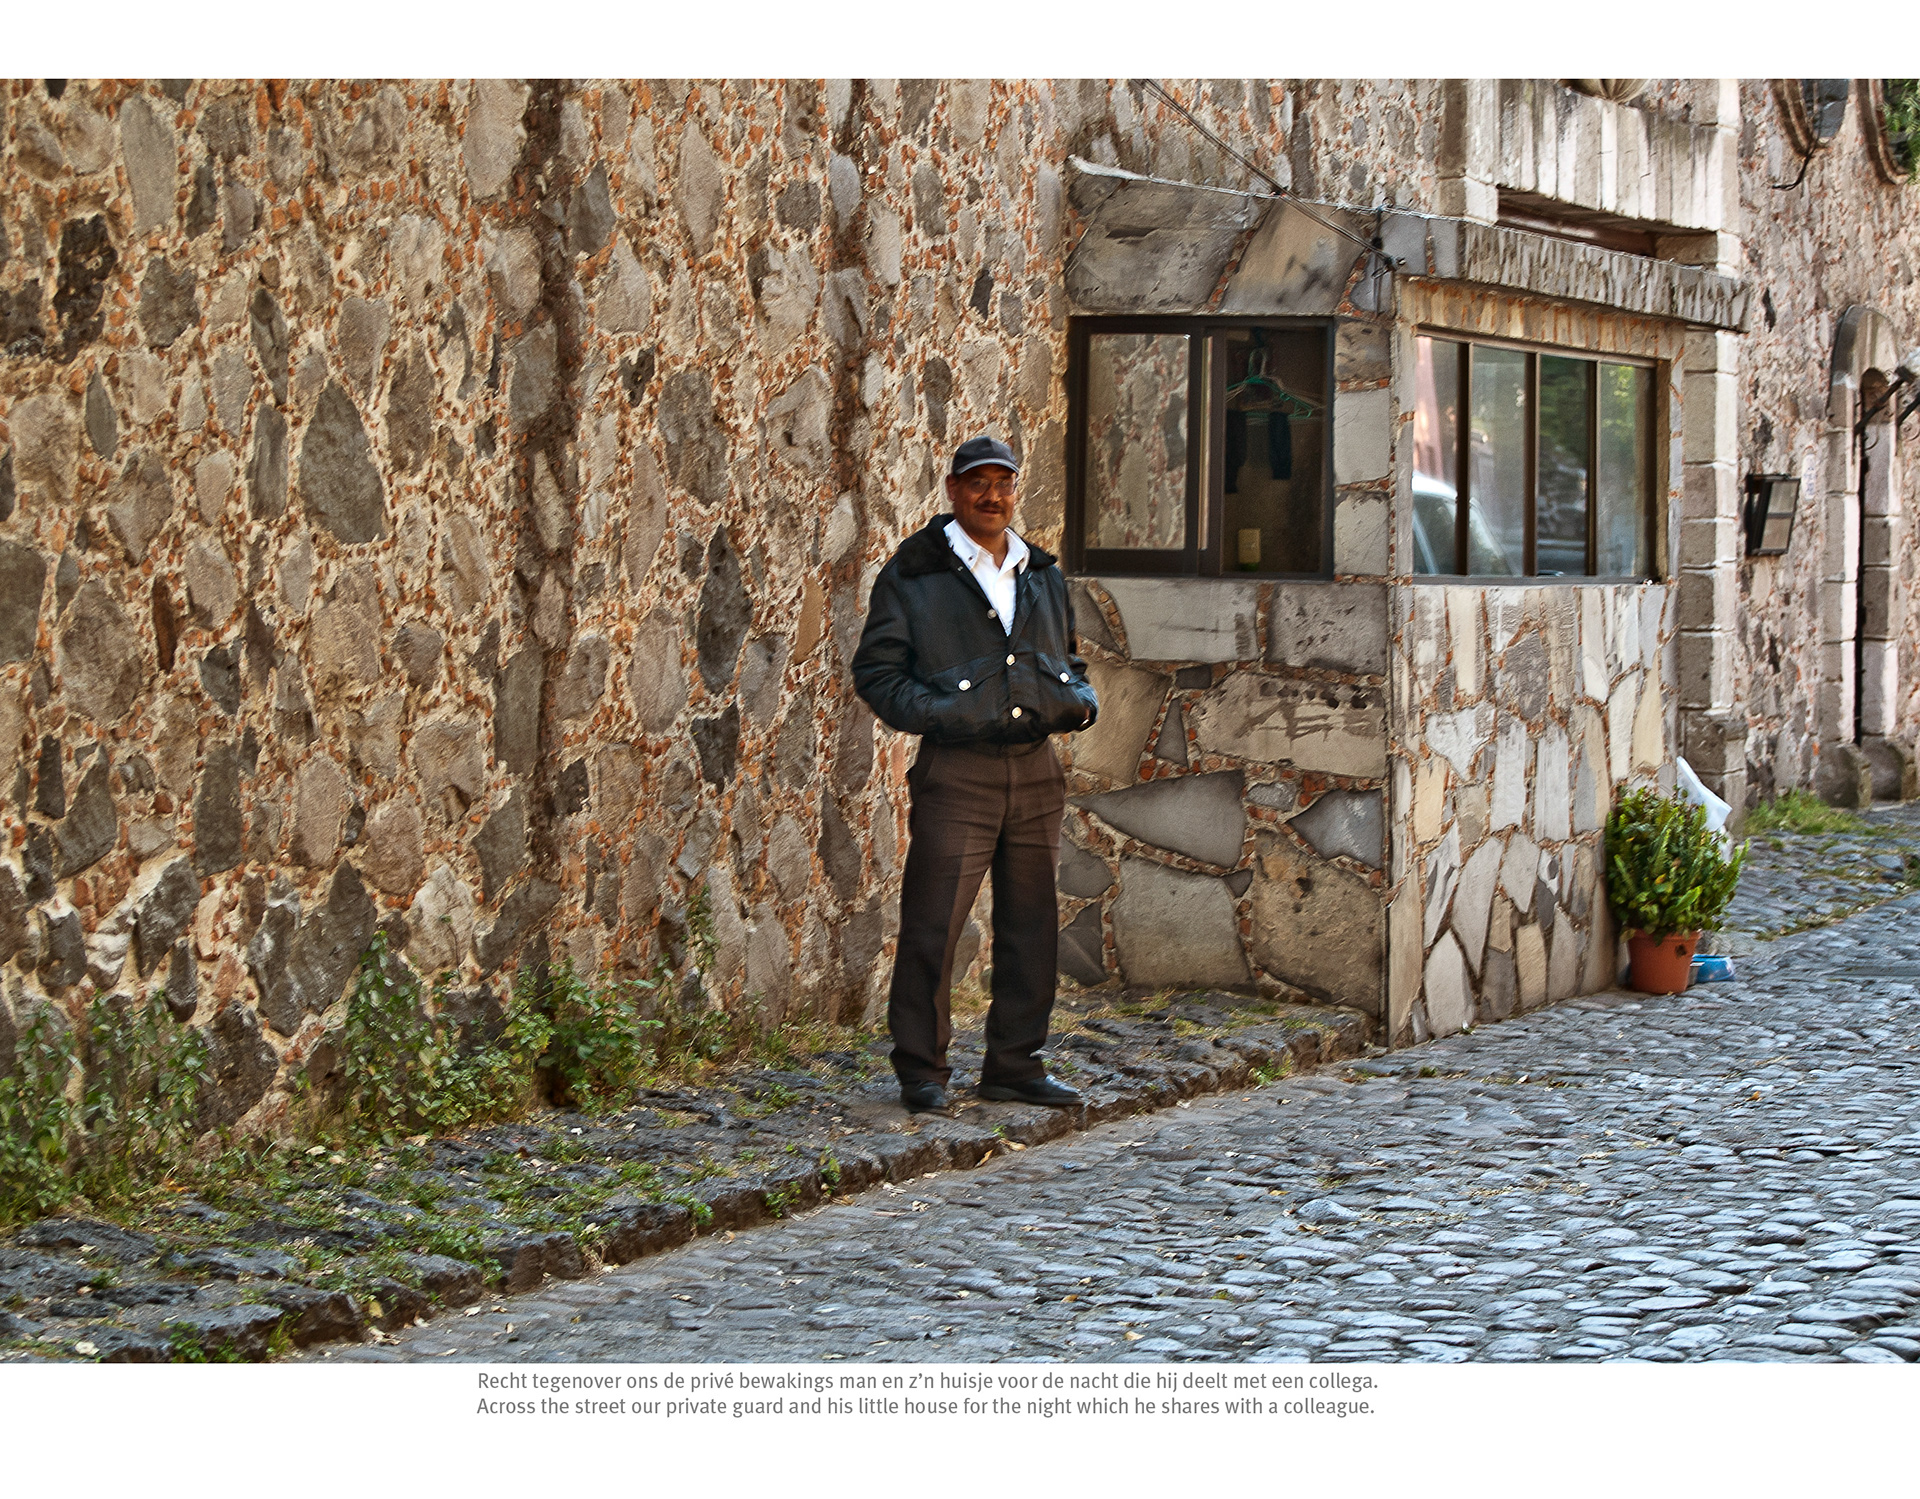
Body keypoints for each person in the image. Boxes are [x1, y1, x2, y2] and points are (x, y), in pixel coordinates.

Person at [851, 435, 1101, 1113]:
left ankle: (1015, 1065)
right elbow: (876, 672)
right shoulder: (915, 572)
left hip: (1036, 768)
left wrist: (1081, 700)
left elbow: (1068, 659)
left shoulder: (1040, 571)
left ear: (1015, 490)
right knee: (934, 922)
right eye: (978, 483)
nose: (992, 496)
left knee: (1032, 924)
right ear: (954, 490)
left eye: (1003, 483)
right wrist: (941, 714)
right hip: (958, 771)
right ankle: (922, 1071)